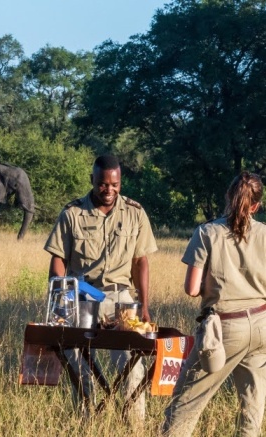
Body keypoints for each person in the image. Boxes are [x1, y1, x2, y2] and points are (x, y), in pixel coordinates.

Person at [44, 155, 158, 424]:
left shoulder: (135, 212)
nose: (109, 190)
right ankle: (86, 421)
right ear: (92, 181)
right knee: (77, 362)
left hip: (121, 299)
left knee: (132, 365)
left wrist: (144, 304)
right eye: (102, 184)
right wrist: (59, 299)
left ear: (120, 182)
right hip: (81, 295)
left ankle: (135, 425)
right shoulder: (72, 213)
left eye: (114, 184)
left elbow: (141, 261)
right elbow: (58, 258)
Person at [163, 171, 266, 437]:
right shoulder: (265, 234)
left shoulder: (207, 232)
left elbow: (192, 288)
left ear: (228, 197)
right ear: (256, 205)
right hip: (261, 325)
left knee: (186, 401)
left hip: (224, 328)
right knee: (251, 409)